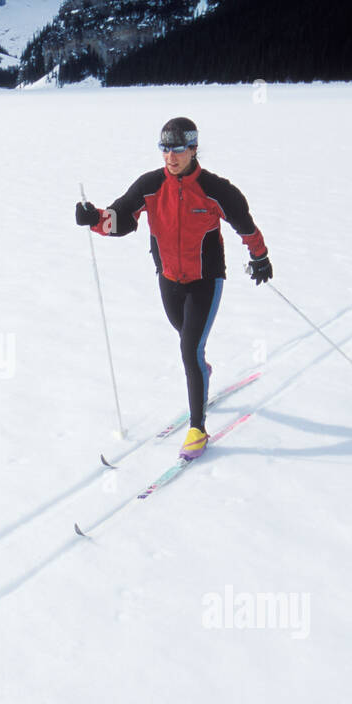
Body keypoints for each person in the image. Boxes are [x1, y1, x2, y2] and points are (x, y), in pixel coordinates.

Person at [75, 116, 272, 458]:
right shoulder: (150, 186)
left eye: (178, 149)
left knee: (189, 349)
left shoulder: (215, 189)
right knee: (187, 341)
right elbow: (121, 218)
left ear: (194, 149)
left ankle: (198, 428)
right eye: (165, 149)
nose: (171, 156)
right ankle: (202, 370)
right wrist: (94, 219)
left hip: (205, 282)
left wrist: (260, 256)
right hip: (168, 280)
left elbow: (243, 222)